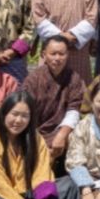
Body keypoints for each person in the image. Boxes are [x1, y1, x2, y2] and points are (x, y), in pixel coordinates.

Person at [20, 35, 84, 175]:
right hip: (34, 131)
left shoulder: (74, 79)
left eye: (61, 54)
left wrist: (61, 135)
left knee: (75, 137)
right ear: (44, 55)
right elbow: (24, 110)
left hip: (59, 131)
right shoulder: (33, 79)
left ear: (68, 55)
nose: (57, 58)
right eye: (53, 53)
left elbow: (74, 110)